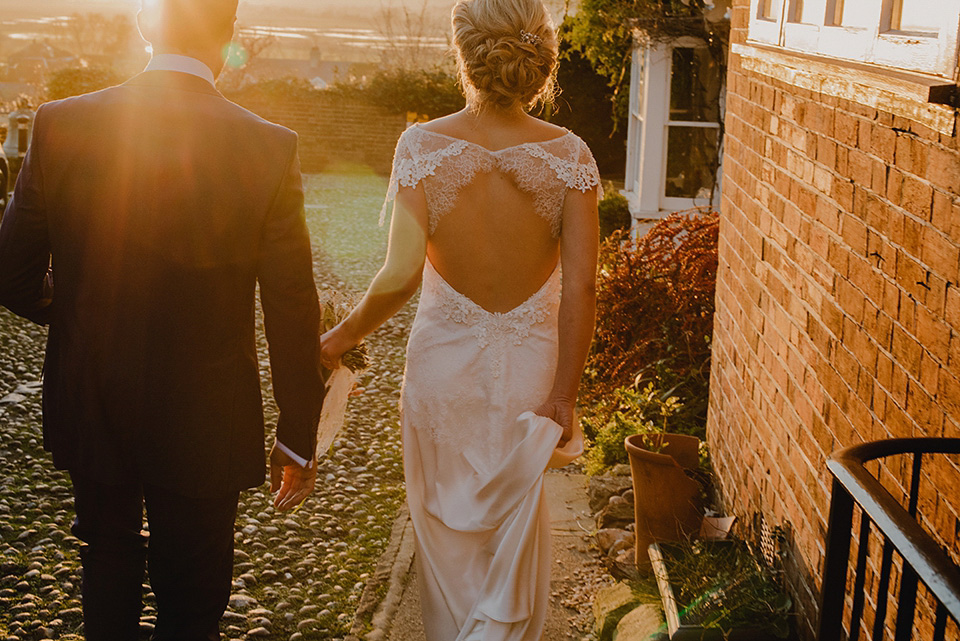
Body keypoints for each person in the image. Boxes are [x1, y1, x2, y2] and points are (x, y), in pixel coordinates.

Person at [0, 0, 324, 638]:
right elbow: (292, 302)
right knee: (196, 585)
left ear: (145, 24)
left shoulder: (61, 124)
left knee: (106, 554)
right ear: (228, 36)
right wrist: (297, 430)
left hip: (92, 394)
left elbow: (10, 273)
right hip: (209, 408)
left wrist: (79, 314)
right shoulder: (269, 146)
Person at [319, 0, 601, 637]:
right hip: (535, 372)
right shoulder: (572, 156)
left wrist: (339, 338)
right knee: (514, 539)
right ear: (538, 57)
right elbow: (582, 285)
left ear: (464, 54)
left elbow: (400, 274)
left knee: (446, 544)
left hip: (442, 371)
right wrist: (564, 394)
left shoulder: (420, 146)